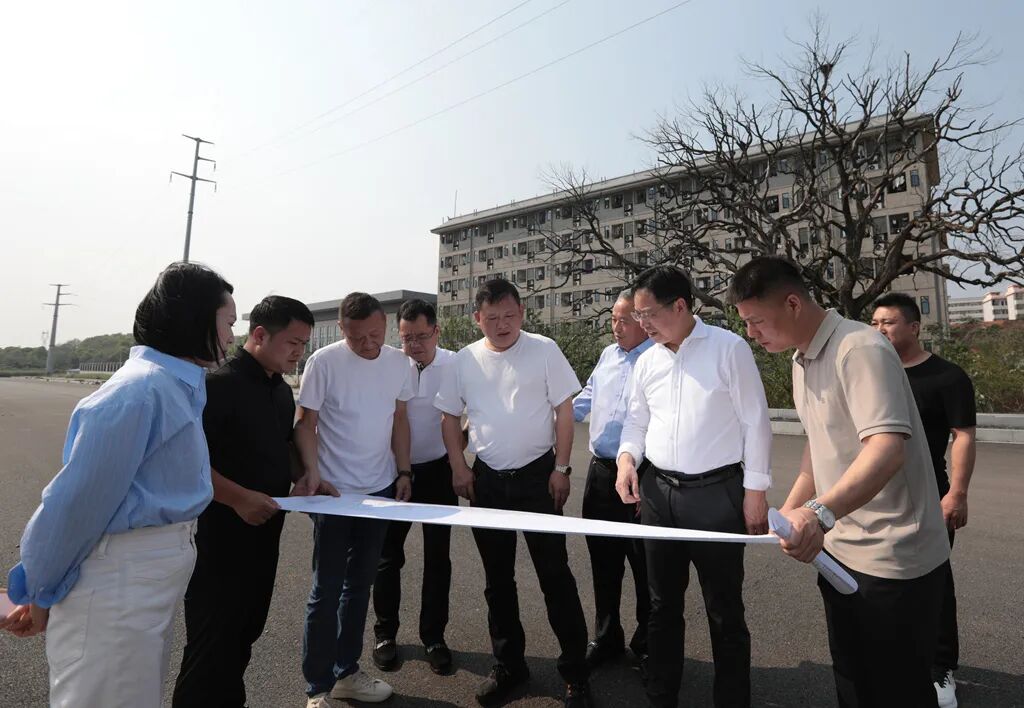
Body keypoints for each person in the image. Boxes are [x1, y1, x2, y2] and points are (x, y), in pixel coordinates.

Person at [1, 262, 236, 708]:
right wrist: (39, 592)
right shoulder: (138, 391)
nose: (231, 336)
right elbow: (73, 507)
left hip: (144, 579)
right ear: (196, 321)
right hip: (119, 583)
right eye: (227, 323)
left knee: (131, 692)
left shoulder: (175, 386)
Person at [730, 256, 951, 707]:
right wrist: (793, 508)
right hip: (840, 555)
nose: (751, 334)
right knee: (853, 682)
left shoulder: (860, 348)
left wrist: (819, 513)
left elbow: (888, 448)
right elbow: (821, 447)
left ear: (792, 303)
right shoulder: (802, 359)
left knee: (897, 691)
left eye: (755, 321)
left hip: (894, 563)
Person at [615, 265, 772, 708]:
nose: (640, 323)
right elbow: (637, 421)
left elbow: (755, 421)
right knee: (662, 604)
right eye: (638, 316)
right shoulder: (646, 360)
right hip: (658, 495)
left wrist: (755, 492)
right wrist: (628, 458)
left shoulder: (728, 348)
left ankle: (732, 699)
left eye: (647, 314)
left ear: (680, 306)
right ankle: (662, 694)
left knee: (724, 609)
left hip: (717, 495)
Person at [434, 279, 592, 708]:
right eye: (491, 318)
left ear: (522, 312)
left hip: (539, 479)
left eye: (509, 315)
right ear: (477, 319)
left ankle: (575, 672)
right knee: (497, 581)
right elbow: (450, 418)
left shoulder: (544, 349)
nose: (501, 325)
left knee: (555, 575)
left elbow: (564, 411)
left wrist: (561, 468)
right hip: (487, 481)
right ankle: (510, 666)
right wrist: (459, 467)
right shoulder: (464, 360)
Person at [172, 295, 315, 708]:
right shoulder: (217, 386)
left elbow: (278, 447)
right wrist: (238, 500)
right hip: (217, 544)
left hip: (263, 539)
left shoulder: (280, 392)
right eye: (292, 342)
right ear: (259, 335)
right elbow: (187, 464)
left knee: (242, 640)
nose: (298, 353)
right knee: (210, 648)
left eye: (304, 345)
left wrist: (305, 476)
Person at [294, 292, 415, 708]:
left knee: (359, 585)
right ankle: (317, 687)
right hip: (333, 492)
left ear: (386, 324)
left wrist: (403, 471)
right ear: (342, 329)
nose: (369, 345)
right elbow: (305, 423)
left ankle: (346, 671)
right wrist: (312, 474)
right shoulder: (323, 362)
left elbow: (400, 419)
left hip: (379, 488)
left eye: (376, 335)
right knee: (325, 589)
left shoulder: (399, 363)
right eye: (358, 337)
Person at [871, 292, 977, 708]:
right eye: (875, 322)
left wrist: (957, 493)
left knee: (933, 583)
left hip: (929, 493)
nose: (879, 329)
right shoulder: (873, 373)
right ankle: (893, 661)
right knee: (878, 581)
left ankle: (940, 667)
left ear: (914, 327)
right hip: (873, 495)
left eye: (889, 322)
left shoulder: (946, 377)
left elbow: (963, 435)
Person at [371, 298, 459, 676]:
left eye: (421, 336)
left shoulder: (456, 363)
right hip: (396, 473)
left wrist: (460, 459)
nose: (414, 346)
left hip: (439, 472)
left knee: (438, 558)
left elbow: (470, 412)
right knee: (388, 557)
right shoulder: (390, 363)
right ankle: (385, 635)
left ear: (437, 331)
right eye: (406, 338)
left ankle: (434, 637)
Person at [572, 289, 653, 672]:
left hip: (642, 474)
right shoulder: (607, 356)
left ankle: (647, 640)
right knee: (603, 561)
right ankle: (606, 636)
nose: (616, 327)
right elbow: (583, 399)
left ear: (642, 320)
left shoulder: (658, 358)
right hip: (601, 473)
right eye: (613, 320)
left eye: (624, 320)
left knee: (644, 564)